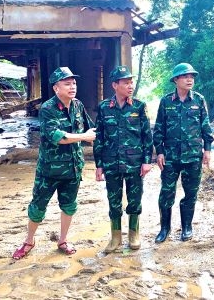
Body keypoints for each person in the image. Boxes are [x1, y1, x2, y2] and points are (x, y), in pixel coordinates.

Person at [12, 67, 96, 259]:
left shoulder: (78, 106)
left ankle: (63, 240)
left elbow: (91, 128)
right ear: (56, 88)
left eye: (74, 83)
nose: (72, 86)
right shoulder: (48, 109)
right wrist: (84, 136)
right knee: (37, 207)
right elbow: (57, 137)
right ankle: (29, 240)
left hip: (73, 168)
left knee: (69, 206)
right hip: (49, 171)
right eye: (67, 84)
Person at [93, 65, 154, 253]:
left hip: (134, 162)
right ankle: (115, 236)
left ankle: (134, 233)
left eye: (131, 82)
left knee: (135, 199)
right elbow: (99, 137)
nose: (130, 85)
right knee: (114, 200)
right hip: (111, 162)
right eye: (126, 82)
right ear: (114, 85)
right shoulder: (104, 108)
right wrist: (99, 165)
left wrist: (147, 161)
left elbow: (146, 135)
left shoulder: (139, 106)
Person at [153, 63, 214, 243]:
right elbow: (158, 129)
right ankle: (165, 228)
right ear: (176, 80)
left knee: (190, 194)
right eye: (185, 76)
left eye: (192, 77)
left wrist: (207, 150)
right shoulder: (166, 102)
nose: (190, 79)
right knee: (166, 193)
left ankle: (187, 227)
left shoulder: (199, 100)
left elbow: (206, 127)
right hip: (170, 158)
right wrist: (160, 152)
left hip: (193, 156)